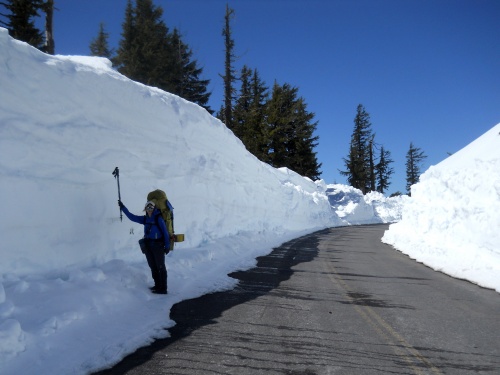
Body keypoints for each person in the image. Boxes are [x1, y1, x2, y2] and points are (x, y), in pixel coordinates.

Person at [118, 199, 169, 294]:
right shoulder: (145, 219)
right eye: (148, 208)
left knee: (160, 267)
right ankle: (157, 285)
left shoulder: (159, 219)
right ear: (145, 209)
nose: (149, 210)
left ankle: (163, 288)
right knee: (153, 266)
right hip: (148, 246)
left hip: (158, 246)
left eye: (151, 208)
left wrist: (167, 245)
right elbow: (132, 217)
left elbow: (165, 233)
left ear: (154, 209)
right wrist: (123, 208)